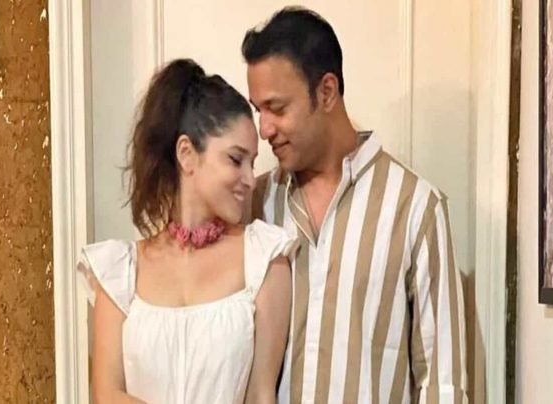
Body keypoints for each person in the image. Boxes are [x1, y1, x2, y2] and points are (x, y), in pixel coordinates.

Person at [242, 7, 468, 403]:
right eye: (258, 110)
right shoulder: (255, 204)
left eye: (277, 108)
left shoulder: (414, 207)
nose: (264, 129)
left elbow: (441, 380)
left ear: (327, 92)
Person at [77, 58, 295, 404]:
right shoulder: (120, 270)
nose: (250, 180)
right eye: (235, 159)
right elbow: (105, 395)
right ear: (186, 154)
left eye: (252, 163)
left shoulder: (264, 259)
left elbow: (260, 395)